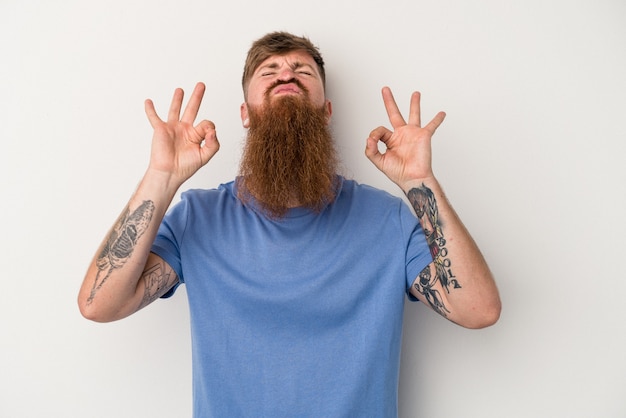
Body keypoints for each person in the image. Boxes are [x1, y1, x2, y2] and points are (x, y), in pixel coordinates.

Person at [78, 31, 501, 417]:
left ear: (327, 110)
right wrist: (162, 177)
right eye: (270, 72)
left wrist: (419, 182)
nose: (287, 75)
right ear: (245, 114)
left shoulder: (385, 219)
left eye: (302, 71)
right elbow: (100, 304)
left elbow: (478, 309)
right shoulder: (198, 218)